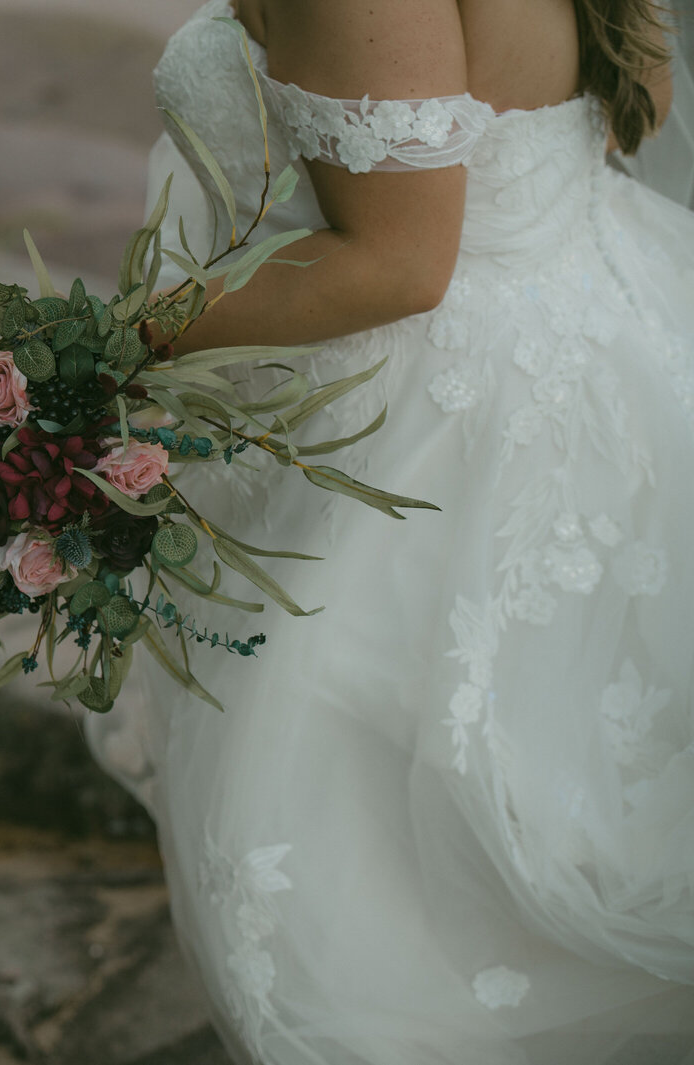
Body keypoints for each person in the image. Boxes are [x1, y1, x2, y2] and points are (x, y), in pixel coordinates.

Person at [85, 0, 694, 1061]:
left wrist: (93, 347)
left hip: (436, 430)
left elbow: (398, 263)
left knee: (394, 910)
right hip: (603, 331)